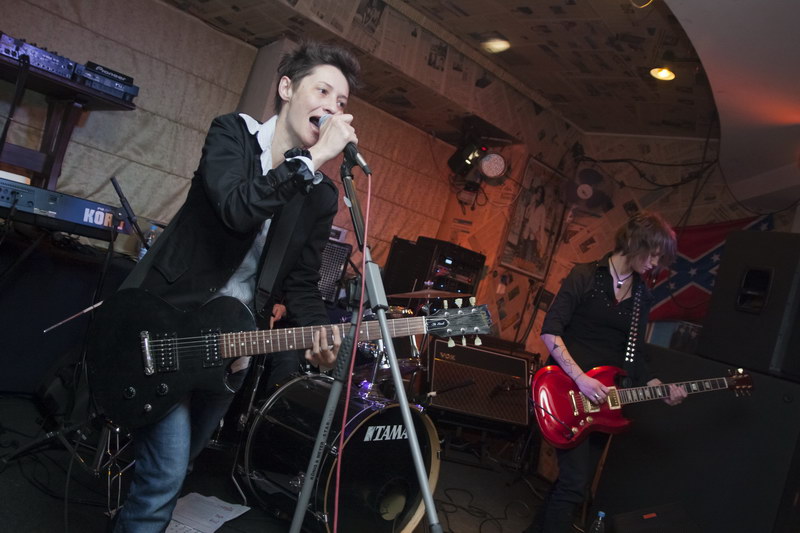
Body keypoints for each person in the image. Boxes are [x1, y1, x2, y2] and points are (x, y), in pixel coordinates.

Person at [112, 41, 361, 532]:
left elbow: (302, 284)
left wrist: (320, 334)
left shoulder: (320, 195)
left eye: (341, 101)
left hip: (232, 351)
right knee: (164, 475)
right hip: (166, 330)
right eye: (322, 91)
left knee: (176, 471)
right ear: (286, 88)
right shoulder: (232, 135)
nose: (332, 107)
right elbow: (236, 208)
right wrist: (311, 160)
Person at [526, 211, 688, 533]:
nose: (655, 263)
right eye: (653, 254)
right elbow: (550, 331)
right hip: (565, 390)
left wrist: (658, 385)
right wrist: (581, 379)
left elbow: (634, 355)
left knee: (576, 482)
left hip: (604, 402)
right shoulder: (585, 275)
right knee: (574, 485)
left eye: (660, 257)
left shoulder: (641, 295)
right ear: (635, 242)